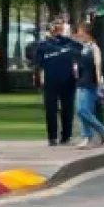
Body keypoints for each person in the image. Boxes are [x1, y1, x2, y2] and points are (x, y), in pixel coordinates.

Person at [33, 16, 78, 146]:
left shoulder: (70, 43)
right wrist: (39, 78)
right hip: (51, 81)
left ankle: (66, 136)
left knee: (67, 108)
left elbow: (80, 54)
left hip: (68, 80)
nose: (58, 29)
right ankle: (53, 137)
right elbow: (38, 64)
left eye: (61, 27)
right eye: (56, 27)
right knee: (51, 109)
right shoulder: (43, 45)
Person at [71, 21, 104, 148]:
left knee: (84, 110)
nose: (79, 34)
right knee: (79, 110)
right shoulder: (83, 47)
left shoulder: (94, 47)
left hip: (90, 82)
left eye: (81, 31)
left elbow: (98, 64)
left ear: (87, 33)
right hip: (81, 81)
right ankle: (87, 136)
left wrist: (99, 81)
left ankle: (102, 131)